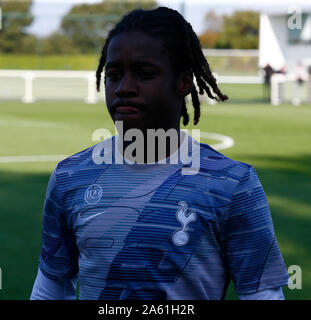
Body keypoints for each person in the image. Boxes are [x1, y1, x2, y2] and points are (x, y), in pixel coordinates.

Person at [30, 7, 289, 300]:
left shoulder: (233, 184)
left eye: (144, 73)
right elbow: (50, 286)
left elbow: (262, 296)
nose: (124, 88)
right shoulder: (69, 176)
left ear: (183, 81)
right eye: (113, 75)